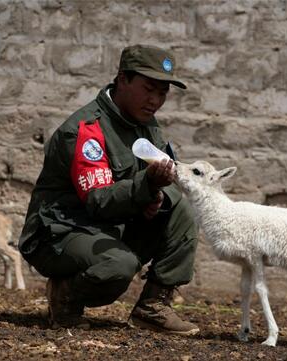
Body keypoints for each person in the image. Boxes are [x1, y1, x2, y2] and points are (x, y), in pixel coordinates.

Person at [19, 44, 199, 335]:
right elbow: (98, 200)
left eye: (163, 93)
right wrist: (146, 186)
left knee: (179, 207)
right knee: (118, 266)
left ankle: (153, 306)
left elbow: (151, 180)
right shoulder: (86, 129)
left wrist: (156, 196)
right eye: (148, 89)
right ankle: (64, 295)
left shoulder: (146, 124)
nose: (155, 100)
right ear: (122, 79)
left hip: (109, 224)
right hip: (60, 232)